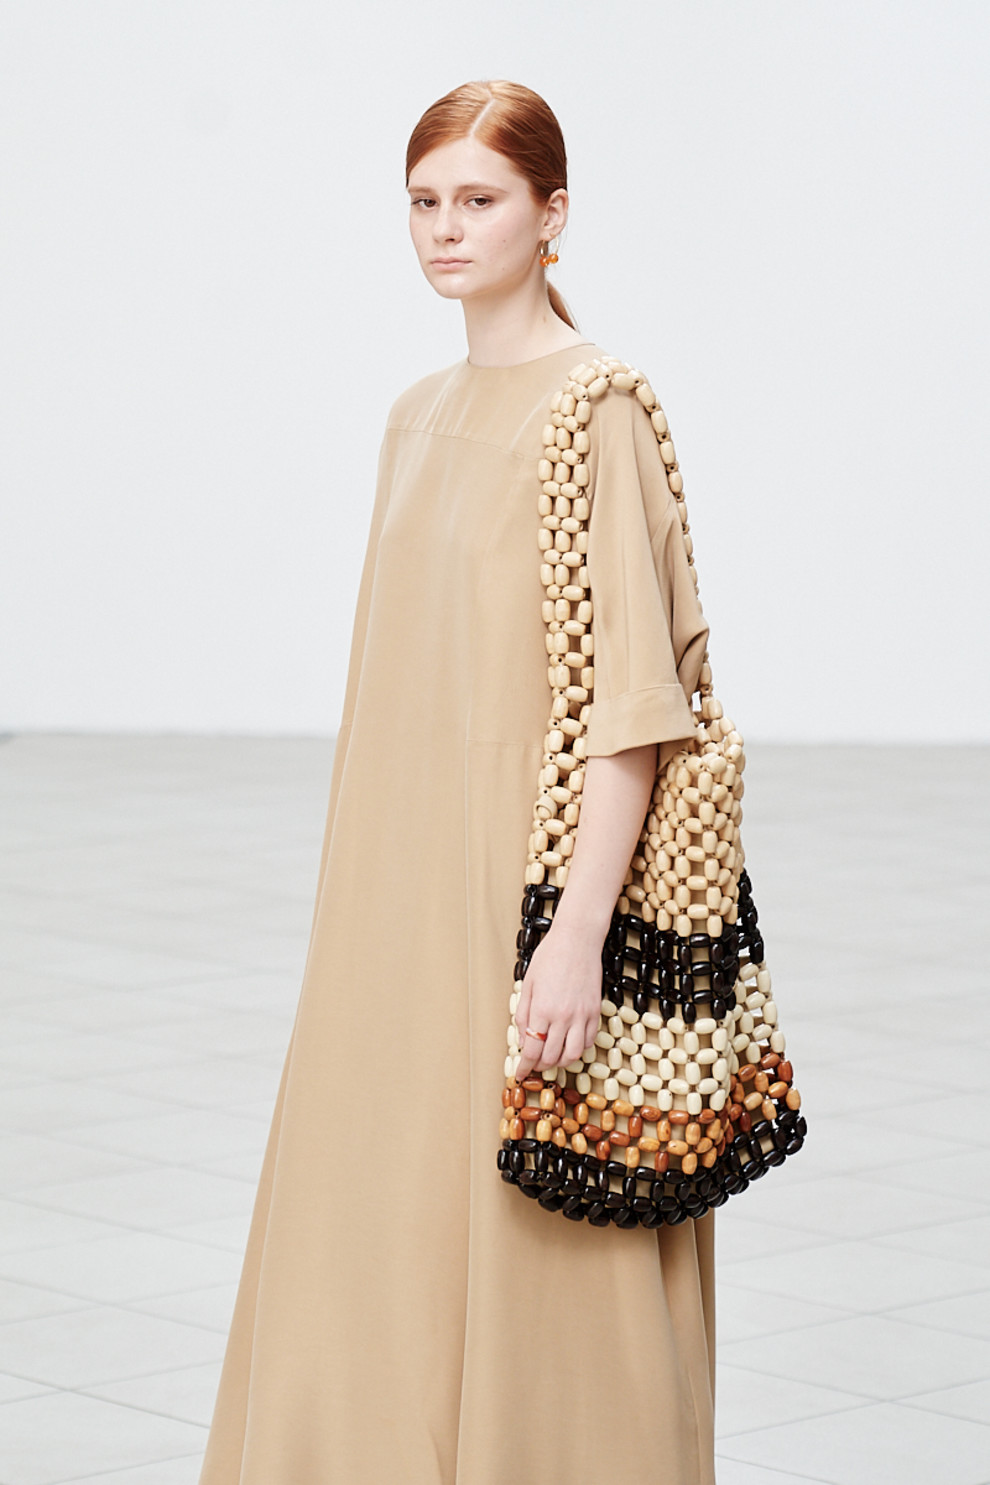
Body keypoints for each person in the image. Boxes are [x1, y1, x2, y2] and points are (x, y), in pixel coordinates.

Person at [197, 79, 715, 1485]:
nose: (445, 228)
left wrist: (575, 934)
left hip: (518, 890)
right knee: (380, 1207)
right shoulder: (415, 414)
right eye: (424, 201)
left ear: (553, 215)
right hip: (395, 890)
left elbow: (632, 714)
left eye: (479, 199)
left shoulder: (595, 411)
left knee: (534, 1220)